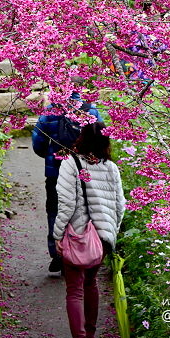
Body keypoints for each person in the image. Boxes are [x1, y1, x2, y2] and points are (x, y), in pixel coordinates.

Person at [53, 122, 126, 338]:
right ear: (106, 142)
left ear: (81, 138)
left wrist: (57, 235)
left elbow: (65, 204)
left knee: (74, 290)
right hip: (102, 239)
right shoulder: (111, 168)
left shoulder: (71, 164)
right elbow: (120, 206)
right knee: (91, 283)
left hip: (76, 235)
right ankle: (91, 337)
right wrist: (109, 234)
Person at [32, 89, 102, 275]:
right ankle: (83, 252)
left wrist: (50, 157)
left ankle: (58, 254)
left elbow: (38, 143)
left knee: (55, 210)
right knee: (84, 211)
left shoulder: (49, 111)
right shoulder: (91, 111)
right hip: (84, 173)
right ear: (80, 92)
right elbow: (100, 140)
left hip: (56, 172)